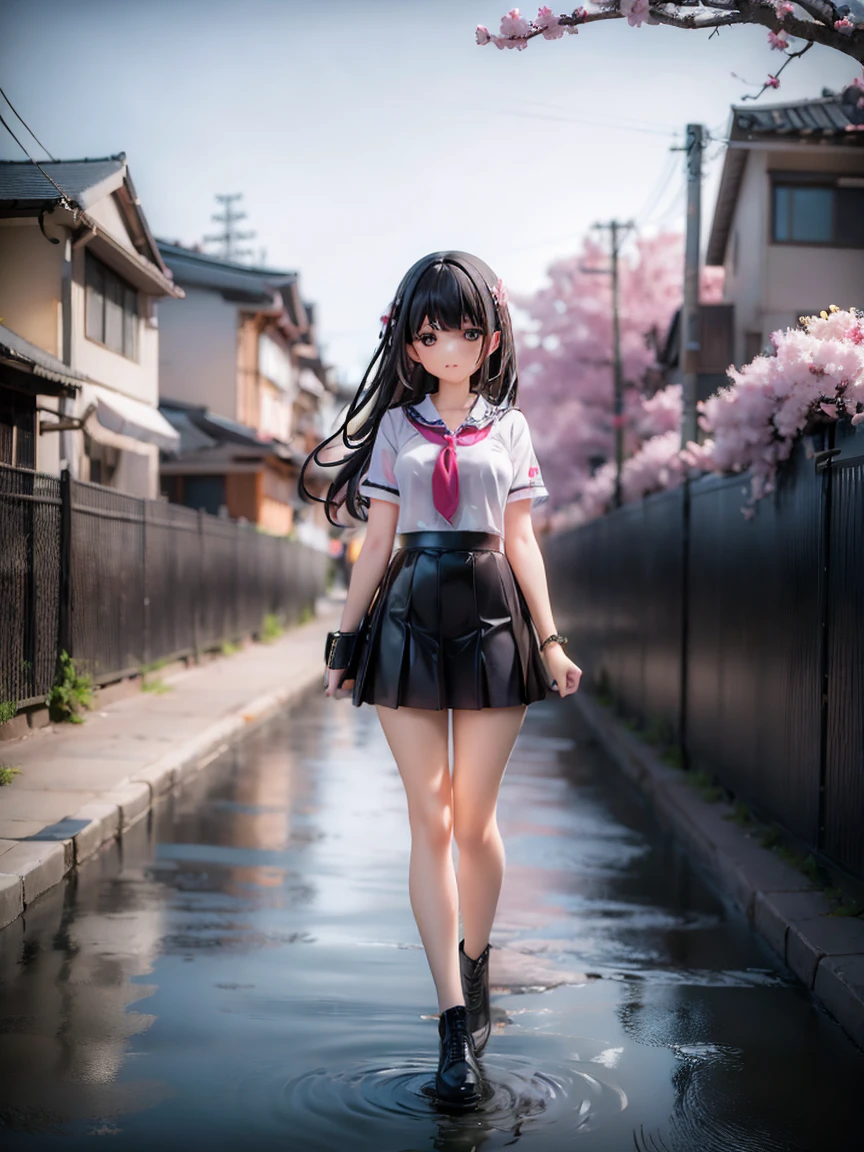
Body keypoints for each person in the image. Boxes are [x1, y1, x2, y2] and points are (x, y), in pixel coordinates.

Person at [299, 251, 582, 1109]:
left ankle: (478, 955)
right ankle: (453, 1024)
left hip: (494, 608)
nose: (448, 344)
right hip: (410, 615)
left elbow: (523, 538)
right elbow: (376, 542)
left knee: (472, 817)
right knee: (429, 817)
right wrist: (345, 643)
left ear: (488, 337)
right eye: (431, 333)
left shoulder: (511, 428)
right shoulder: (395, 429)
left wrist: (552, 638)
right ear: (412, 346)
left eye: (461, 329)